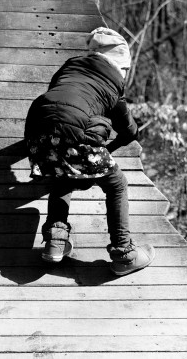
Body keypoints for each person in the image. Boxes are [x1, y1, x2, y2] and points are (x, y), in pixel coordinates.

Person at [24, 27, 155, 276]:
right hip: (74, 133)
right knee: (116, 183)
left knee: (62, 177)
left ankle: (56, 242)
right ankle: (124, 253)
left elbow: (60, 101)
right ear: (120, 64)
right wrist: (114, 145)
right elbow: (128, 129)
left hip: (35, 133)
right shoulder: (112, 83)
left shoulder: (69, 69)